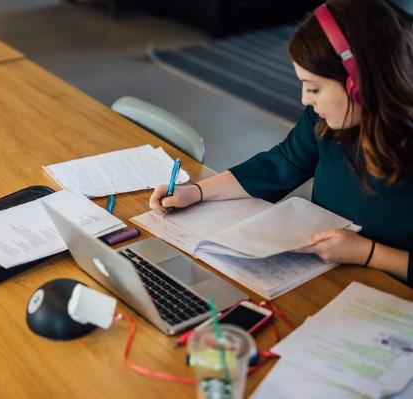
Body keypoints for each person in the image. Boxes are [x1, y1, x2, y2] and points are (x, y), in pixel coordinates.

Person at [149, 0, 413, 287]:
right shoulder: (326, 117)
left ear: (359, 83)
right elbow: (282, 164)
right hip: (327, 273)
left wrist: (367, 253)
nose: (304, 99)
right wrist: (197, 193)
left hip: (391, 292)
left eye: (314, 88)